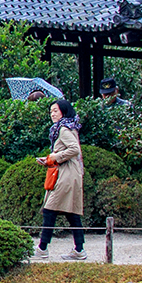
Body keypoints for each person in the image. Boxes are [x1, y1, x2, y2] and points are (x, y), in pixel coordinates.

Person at [35, 98, 86, 260]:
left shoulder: (64, 129)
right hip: (66, 173)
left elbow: (74, 149)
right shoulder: (67, 127)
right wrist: (49, 159)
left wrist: (54, 157)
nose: (52, 114)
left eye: (55, 110)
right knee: (71, 212)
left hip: (66, 174)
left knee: (50, 209)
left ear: (64, 111)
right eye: (51, 111)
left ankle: (42, 248)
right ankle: (79, 249)